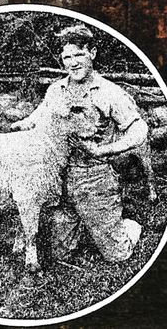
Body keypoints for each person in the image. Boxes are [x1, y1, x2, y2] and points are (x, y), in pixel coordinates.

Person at [11, 24, 147, 263]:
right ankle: (85, 223)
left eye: (79, 55)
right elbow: (40, 116)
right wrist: (22, 124)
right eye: (67, 57)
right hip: (61, 177)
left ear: (92, 53)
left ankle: (128, 226)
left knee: (117, 255)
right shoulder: (56, 90)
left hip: (95, 178)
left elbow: (139, 130)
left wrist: (104, 150)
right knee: (58, 254)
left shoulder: (109, 92)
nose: (73, 63)